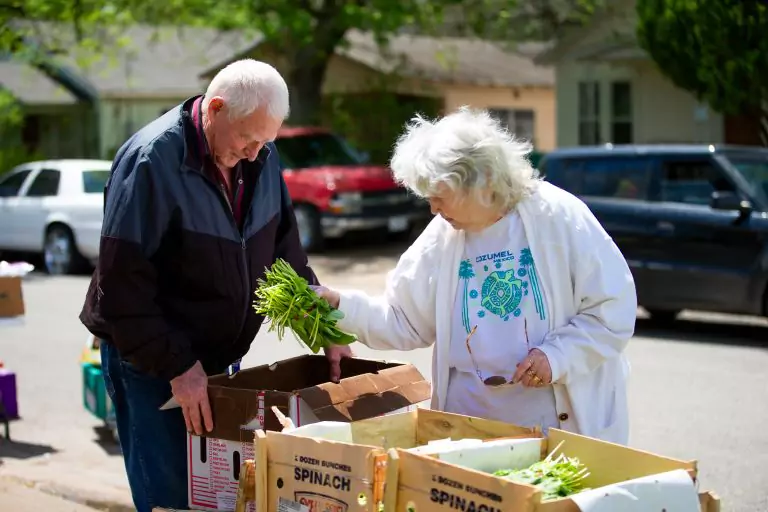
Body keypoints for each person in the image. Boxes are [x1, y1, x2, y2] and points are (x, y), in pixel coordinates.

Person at [79, 59, 350, 511]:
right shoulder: (151, 161)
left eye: (266, 140)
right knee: (170, 501)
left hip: (220, 362)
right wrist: (180, 369)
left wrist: (325, 329)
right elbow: (121, 286)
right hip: (155, 368)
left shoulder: (261, 152)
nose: (254, 152)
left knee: (217, 499)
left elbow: (285, 254)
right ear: (216, 108)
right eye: (247, 137)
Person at [315, 108, 637, 445]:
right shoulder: (441, 237)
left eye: (440, 197)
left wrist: (556, 357)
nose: (433, 209)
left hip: (553, 430)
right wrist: (340, 306)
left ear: (482, 180)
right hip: (468, 431)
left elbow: (611, 310)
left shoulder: (560, 217)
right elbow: (404, 320)